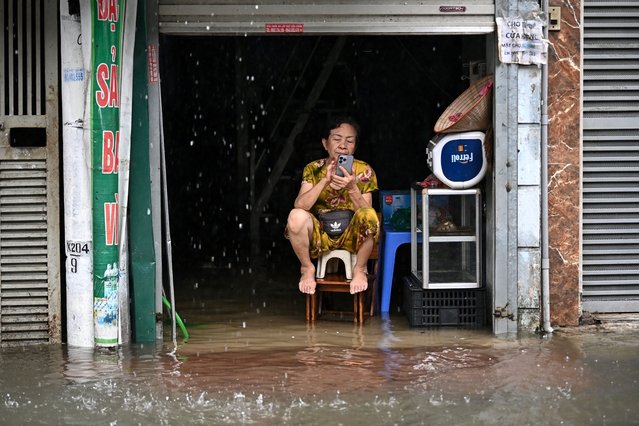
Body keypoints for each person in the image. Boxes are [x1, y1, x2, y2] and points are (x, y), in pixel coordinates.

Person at [286, 117, 380, 295]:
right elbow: (300, 205)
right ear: (325, 143)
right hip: (321, 234)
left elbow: (367, 213)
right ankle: (306, 268)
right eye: (337, 139)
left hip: (351, 236)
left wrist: (352, 187)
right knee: (295, 215)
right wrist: (324, 181)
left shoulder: (364, 170)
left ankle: (359, 269)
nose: (343, 145)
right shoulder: (313, 168)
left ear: (355, 147)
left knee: (369, 215)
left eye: (349, 140)